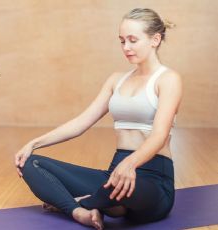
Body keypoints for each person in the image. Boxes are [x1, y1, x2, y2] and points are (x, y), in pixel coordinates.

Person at [14, 8, 182, 230]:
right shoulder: (116, 80)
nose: (126, 47)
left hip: (153, 179)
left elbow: (160, 135)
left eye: (133, 40)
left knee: (115, 187)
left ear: (155, 39)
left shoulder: (168, 79)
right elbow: (82, 122)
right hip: (115, 173)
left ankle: (82, 202)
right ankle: (80, 211)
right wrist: (33, 143)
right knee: (30, 163)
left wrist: (130, 163)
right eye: (122, 41)